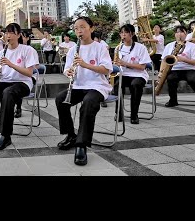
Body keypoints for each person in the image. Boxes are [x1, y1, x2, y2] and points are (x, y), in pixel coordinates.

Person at [54, 16, 112, 166]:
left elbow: (106, 69)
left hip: (97, 86)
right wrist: (69, 73)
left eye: (82, 27)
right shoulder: (73, 49)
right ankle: (71, 136)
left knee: (88, 102)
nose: (79, 31)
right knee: (60, 99)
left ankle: (81, 144)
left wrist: (86, 65)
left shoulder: (100, 47)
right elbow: (67, 69)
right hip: (79, 85)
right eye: (76, 28)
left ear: (91, 28)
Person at [0, 23, 37, 151]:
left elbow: (29, 73)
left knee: (8, 93)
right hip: (5, 81)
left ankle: (5, 135)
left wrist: (11, 64)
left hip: (23, 82)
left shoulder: (27, 50)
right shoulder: (2, 52)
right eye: (6, 33)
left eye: (11, 33)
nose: (8, 35)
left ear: (18, 35)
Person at [112, 24, 151, 124]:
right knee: (117, 84)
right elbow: (116, 64)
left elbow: (142, 67)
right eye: (121, 33)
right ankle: (119, 113)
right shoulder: (118, 48)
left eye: (126, 32)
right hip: (123, 74)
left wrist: (125, 63)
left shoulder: (141, 48)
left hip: (139, 75)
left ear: (132, 34)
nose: (123, 35)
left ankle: (134, 115)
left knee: (136, 85)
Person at [162, 25, 195, 107]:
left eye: (181, 32)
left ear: (186, 33)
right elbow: (163, 60)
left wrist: (182, 59)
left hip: (189, 68)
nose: (179, 34)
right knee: (170, 78)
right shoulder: (169, 45)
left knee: (192, 79)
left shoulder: (192, 46)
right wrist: (160, 72)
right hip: (174, 69)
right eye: (177, 32)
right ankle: (173, 100)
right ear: (175, 34)